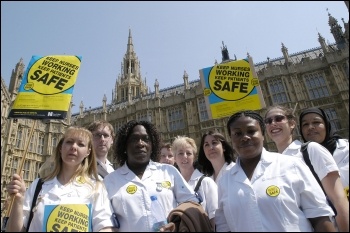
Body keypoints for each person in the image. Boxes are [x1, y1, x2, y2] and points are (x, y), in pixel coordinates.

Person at [215, 110, 336, 232]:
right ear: (231, 139)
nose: (245, 137)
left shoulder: (291, 165)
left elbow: (320, 217)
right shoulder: (224, 181)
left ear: (263, 134)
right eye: (237, 133)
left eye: (251, 131)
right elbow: (223, 227)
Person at [6, 126, 117, 232]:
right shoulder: (38, 186)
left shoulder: (97, 187)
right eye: (69, 142)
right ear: (60, 147)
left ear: (88, 152)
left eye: (81, 144)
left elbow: (105, 226)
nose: (73, 147)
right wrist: (19, 200)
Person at [103, 120, 198, 232]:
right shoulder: (110, 181)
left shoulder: (168, 171)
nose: (140, 143)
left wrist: (176, 223)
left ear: (152, 146)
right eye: (134, 139)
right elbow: (104, 221)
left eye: (146, 139)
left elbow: (192, 202)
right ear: (124, 146)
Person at [299, 107, 349, 231]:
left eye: (316, 122)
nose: (310, 127)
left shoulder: (347, 148)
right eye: (305, 124)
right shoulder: (298, 160)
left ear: (326, 124)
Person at [171, 136, 217, 228]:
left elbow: (215, 217)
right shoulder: (171, 186)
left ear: (194, 157)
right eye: (180, 153)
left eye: (189, 153)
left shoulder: (206, 182)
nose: (185, 156)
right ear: (174, 158)